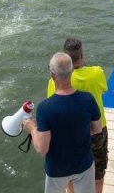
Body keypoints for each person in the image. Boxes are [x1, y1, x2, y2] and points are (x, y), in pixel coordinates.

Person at [23, 52, 102, 193]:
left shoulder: (45, 108)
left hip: (57, 170)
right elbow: (97, 129)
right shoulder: (88, 99)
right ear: (71, 71)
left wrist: (32, 128)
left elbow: (42, 149)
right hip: (83, 165)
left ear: (52, 75)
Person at [47, 38, 108, 193]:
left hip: (70, 132)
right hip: (97, 129)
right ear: (82, 54)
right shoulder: (96, 73)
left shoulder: (55, 81)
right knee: (98, 175)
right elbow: (104, 90)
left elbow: (53, 103)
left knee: (72, 174)